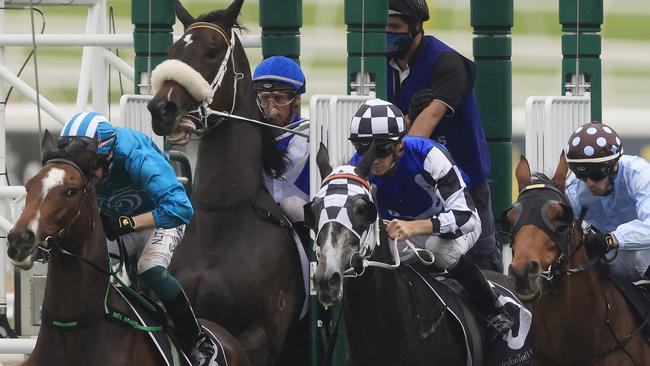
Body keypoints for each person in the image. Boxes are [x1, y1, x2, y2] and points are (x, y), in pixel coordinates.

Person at [58, 111, 218, 366]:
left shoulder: (135, 154)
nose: (85, 175)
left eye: (90, 167)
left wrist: (126, 223)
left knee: (149, 268)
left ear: (109, 155)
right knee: (86, 269)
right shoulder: (88, 158)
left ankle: (196, 340)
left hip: (161, 219)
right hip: (115, 223)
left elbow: (180, 208)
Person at [348, 99, 512, 338]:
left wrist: (416, 227)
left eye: (381, 149)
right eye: (364, 150)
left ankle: (494, 309)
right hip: (403, 233)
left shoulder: (428, 155)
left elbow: (465, 216)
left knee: (441, 249)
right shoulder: (356, 169)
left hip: (454, 227)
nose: (373, 159)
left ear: (399, 147)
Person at [385, 0, 501, 272]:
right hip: (413, 184)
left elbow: (423, 129)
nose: (387, 33)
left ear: (417, 25)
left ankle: (499, 310)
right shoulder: (380, 66)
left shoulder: (447, 64)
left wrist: (404, 130)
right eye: (383, 26)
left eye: (395, 26)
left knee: (483, 264)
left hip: (464, 184)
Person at [564, 122, 650, 282]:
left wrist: (610, 239)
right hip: (615, 257)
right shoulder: (573, 189)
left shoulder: (640, 174)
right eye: (581, 175)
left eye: (596, 174)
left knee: (642, 256)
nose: (589, 183)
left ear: (614, 165)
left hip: (646, 252)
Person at [253, 56, 310, 225]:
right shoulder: (251, 135)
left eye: (278, 99)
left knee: (292, 205)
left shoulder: (312, 138)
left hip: (303, 221)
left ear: (297, 100)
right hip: (259, 222)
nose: (271, 108)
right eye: (264, 98)